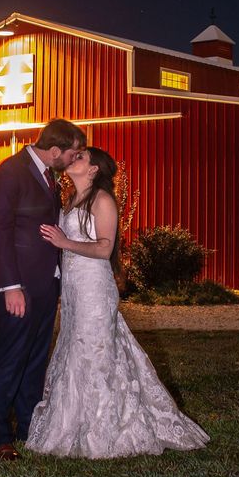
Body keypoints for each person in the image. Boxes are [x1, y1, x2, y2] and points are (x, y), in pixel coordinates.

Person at [27, 147, 210, 458]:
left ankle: (107, 429)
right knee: (74, 346)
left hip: (95, 289)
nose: (75, 159)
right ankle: (72, 423)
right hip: (73, 290)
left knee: (95, 349)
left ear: (95, 170)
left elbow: (103, 248)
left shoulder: (103, 201)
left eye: (82, 157)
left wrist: (64, 242)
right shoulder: (70, 200)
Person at [0, 118, 87, 460]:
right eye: (72, 154)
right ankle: (0, 437)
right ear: (55, 150)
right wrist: (10, 286)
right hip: (19, 287)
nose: (74, 160)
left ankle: (29, 428)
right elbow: (2, 232)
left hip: (46, 285)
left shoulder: (48, 176)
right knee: (10, 359)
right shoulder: (12, 172)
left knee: (34, 361)